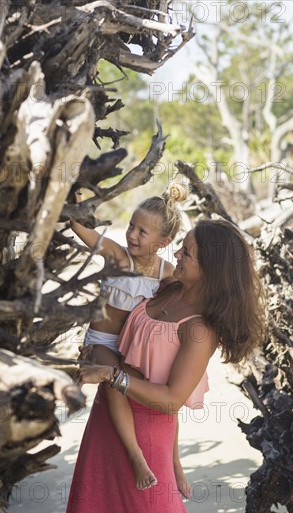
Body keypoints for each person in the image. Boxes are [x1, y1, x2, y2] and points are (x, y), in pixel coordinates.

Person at [60, 218, 265, 513]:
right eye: (181, 247)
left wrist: (111, 375)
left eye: (188, 253)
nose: (178, 255)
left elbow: (171, 401)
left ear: (211, 269)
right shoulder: (168, 286)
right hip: (106, 420)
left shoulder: (200, 330)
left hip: (146, 436)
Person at [71, 181, 206, 496]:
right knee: (117, 385)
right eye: (131, 226)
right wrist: (76, 195)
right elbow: (81, 229)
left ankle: (176, 462)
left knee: (168, 395)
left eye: (142, 232)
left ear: (164, 241)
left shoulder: (168, 274)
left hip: (134, 349)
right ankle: (136, 456)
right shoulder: (119, 258)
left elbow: (191, 298)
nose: (132, 235)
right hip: (101, 345)